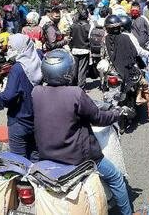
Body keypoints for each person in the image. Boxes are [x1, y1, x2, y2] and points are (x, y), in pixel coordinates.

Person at [32, 49, 134, 215]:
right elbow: (98, 117)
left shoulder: (36, 92)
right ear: (68, 72)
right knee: (116, 178)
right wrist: (118, 113)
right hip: (78, 157)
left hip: (47, 154)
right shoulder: (76, 93)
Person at [105, 15, 149, 120]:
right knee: (144, 83)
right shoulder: (127, 37)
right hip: (127, 70)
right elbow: (134, 53)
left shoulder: (105, 39)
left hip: (110, 71)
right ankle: (148, 109)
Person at [0, 34, 41, 161]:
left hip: (19, 121)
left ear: (20, 48)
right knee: (35, 158)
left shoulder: (18, 68)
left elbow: (8, 96)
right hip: (36, 119)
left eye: (12, 47)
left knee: (18, 163)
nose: (9, 50)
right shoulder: (37, 61)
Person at [70, 7, 91, 90]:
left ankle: (73, 85)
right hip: (84, 49)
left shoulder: (73, 26)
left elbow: (70, 37)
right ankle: (80, 87)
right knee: (82, 69)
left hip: (74, 49)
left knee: (74, 69)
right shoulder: (88, 27)